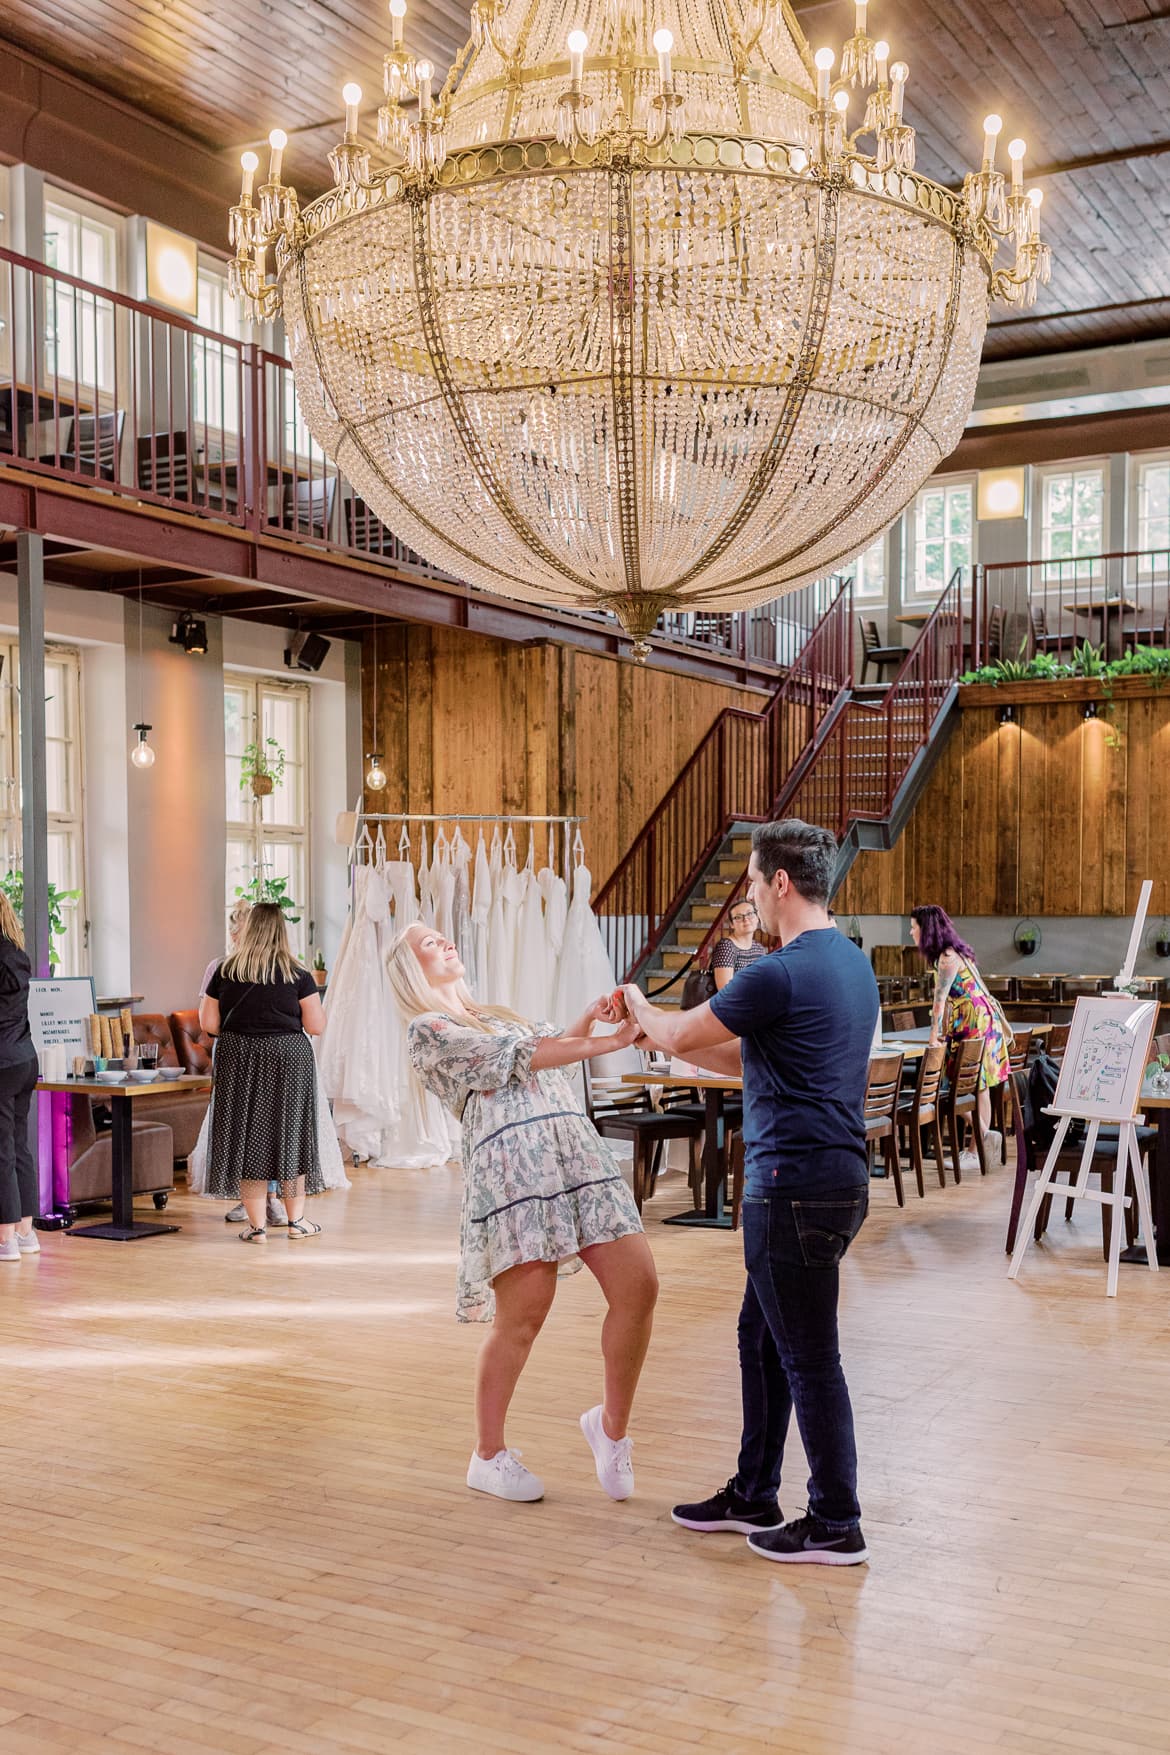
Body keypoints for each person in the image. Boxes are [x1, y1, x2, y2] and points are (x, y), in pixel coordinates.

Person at [622, 818, 877, 1566]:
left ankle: (835, 1517)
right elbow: (753, 1056)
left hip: (789, 1187)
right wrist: (671, 1039)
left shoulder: (778, 969)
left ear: (780, 883)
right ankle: (754, 1489)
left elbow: (674, 1034)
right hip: (836, 1180)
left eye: (755, 886)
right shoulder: (850, 965)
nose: (753, 903)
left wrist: (640, 1007)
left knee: (808, 1355)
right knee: (761, 1337)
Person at [387, 921, 658, 1506]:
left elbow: (549, 1056)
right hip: (515, 1172)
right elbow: (525, 1057)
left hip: (575, 1154)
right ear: (411, 969)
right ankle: (487, 1455)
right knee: (522, 1320)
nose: (446, 942)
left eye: (442, 936)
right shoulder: (428, 1031)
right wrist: (609, 1042)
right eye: (429, 944)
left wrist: (587, 1020)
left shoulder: (498, 1013)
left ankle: (611, 1430)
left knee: (639, 1287)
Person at [198, 903, 325, 1243]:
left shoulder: (224, 971)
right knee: (291, 1133)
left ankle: (256, 1228)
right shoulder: (298, 975)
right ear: (282, 931)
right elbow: (316, 1025)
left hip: (238, 1055)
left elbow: (209, 1023)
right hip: (288, 1056)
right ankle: (297, 1222)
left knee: (246, 1135)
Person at [197, 902, 284, 1230]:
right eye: (234, 929)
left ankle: (271, 1197)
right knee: (241, 1122)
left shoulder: (275, 968)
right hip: (233, 1047)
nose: (236, 935)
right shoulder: (219, 968)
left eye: (242, 929)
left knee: (268, 1121)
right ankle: (247, 1196)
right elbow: (207, 1018)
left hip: (260, 1046)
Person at [910, 904, 1009, 1168]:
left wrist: (934, 1037)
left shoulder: (947, 958)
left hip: (972, 1025)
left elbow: (939, 1001)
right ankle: (979, 1146)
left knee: (954, 1087)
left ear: (926, 930)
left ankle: (981, 1142)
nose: (911, 932)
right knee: (980, 1087)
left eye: (914, 927)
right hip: (982, 1023)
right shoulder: (955, 953)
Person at [0, 891, 41, 1263]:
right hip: (25, 1058)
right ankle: (27, 1233)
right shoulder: (17, 954)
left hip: (1, 1062)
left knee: (1, 1150)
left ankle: (4, 1240)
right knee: (19, 1146)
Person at [712, 899, 765, 990]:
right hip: (736, 1003)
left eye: (750, 914)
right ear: (731, 924)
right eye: (738, 917)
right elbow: (725, 991)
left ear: (757, 918)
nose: (746, 919)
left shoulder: (759, 948)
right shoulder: (726, 947)